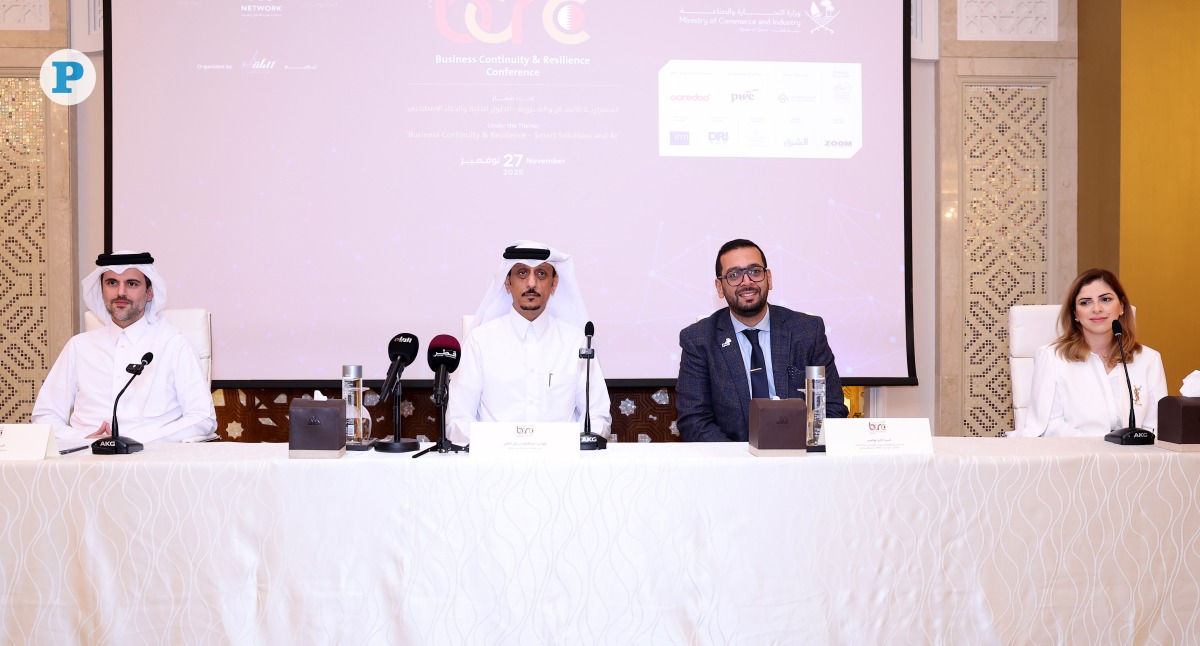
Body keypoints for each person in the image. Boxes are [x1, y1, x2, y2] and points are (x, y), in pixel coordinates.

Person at [32, 251, 217, 443]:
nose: (121, 292)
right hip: (86, 455)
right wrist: (83, 439)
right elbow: (44, 416)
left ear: (149, 293)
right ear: (102, 290)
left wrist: (134, 441)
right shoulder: (78, 347)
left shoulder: (173, 344)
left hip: (154, 455)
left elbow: (203, 418)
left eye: (132, 284)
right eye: (112, 283)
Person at [676, 239, 848, 441]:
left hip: (799, 453)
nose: (746, 282)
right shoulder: (699, 340)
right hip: (731, 456)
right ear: (720, 287)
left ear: (769, 278)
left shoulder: (807, 331)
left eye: (755, 271)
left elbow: (831, 407)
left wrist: (798, 451)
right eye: (734, 275)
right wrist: (738, 458)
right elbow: (694, 420)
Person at [447, 241, 612, 445]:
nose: (532, 283)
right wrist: (497, 447)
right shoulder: (480, 341)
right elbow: (459, 420)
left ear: (554, 283)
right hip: (494, 461)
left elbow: (597, 417)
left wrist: (564, 446)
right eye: (522, 273)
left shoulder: (576, 342)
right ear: (508, 282)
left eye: (541, 274)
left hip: (561, 462)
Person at [1009, 268, 1167, 437]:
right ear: (1075, 313)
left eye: (1105, 299)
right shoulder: (1052, 357)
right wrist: (1102, 447)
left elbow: (1157, 427)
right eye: (1085, 303)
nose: (1096, 309)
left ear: (1121, 306)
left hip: (1135, 453)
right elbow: (1050, 426)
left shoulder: (1149, 359)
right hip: (1074, 451)